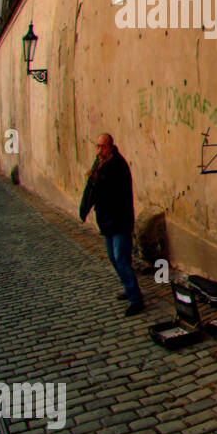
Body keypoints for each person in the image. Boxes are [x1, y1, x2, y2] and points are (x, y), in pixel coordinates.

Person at [79, 134, 145, 316]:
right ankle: (128, 287)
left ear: (111, 147)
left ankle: (135, 299)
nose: (100, 151)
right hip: (107, 221)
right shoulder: (100, 163)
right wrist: (84, 208)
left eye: (103, 147)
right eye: (98, 146)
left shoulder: (117, 165)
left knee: (122, 260)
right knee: (114, 259)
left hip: (120, 221)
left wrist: (97, 178)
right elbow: (91, 189)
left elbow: (112, 191)